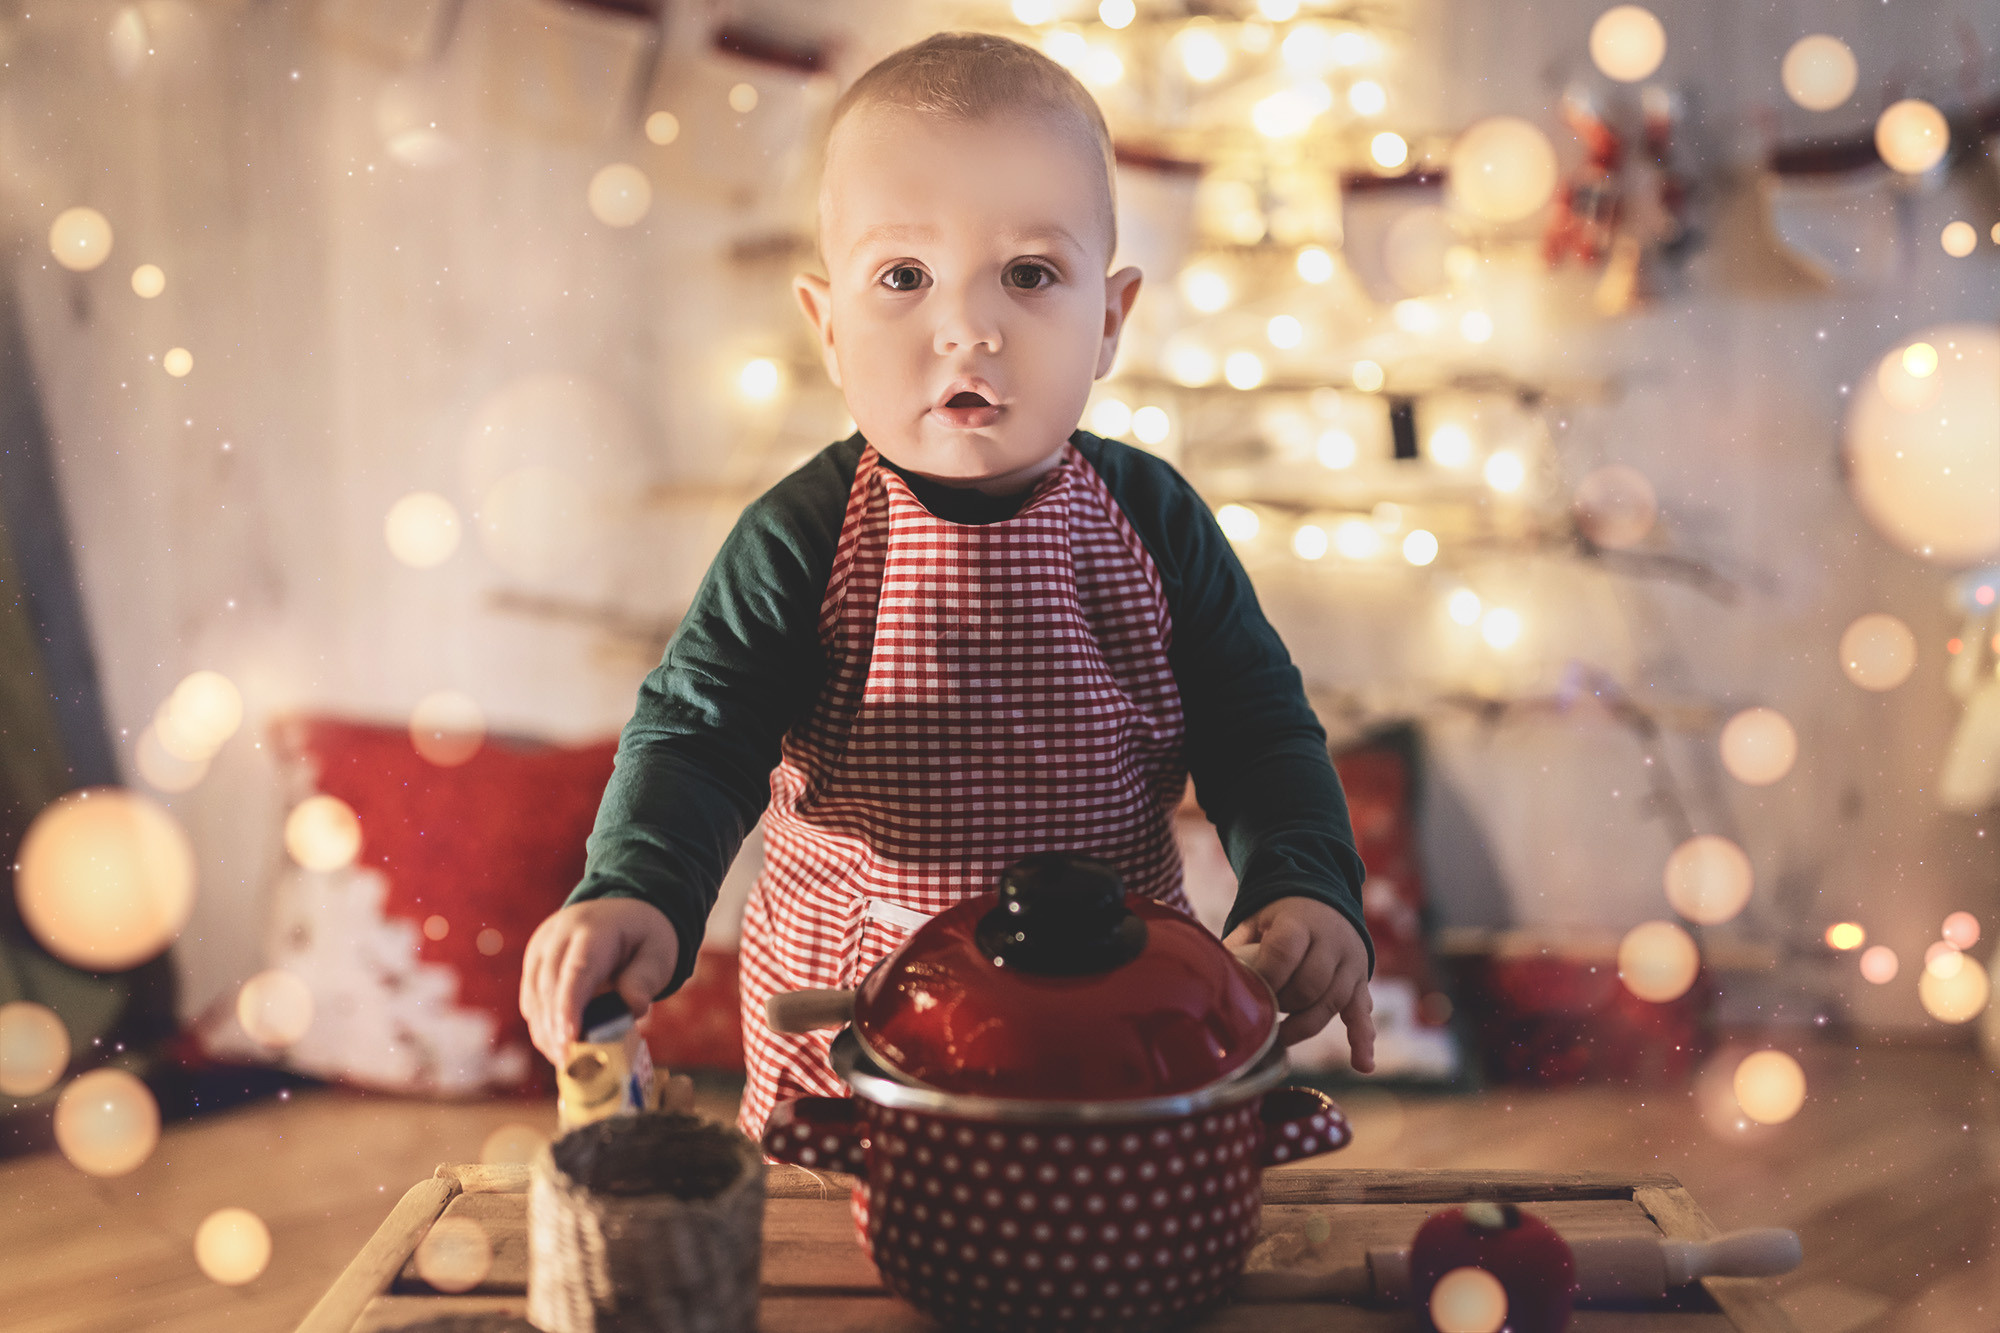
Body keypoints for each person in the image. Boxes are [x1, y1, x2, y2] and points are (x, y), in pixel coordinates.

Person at [519, 30, 1375, 1142]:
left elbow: (1259, 732)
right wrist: (638, 886)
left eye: (1028, 274)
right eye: (903, 277)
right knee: (856, 1269)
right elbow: (697, 734)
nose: (966, 327)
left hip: (1107, 1005)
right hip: (860, 1016)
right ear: (829, 327)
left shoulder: (1155, 525)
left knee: (1099, 1237)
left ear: (1108, 321)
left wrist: (1302, 883)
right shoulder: (802, 535)